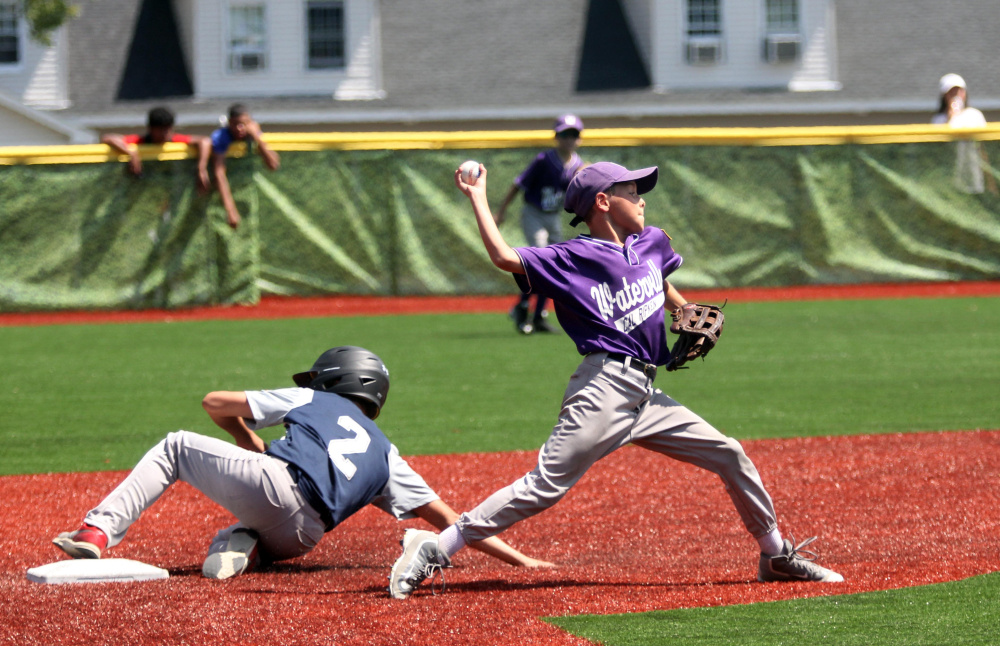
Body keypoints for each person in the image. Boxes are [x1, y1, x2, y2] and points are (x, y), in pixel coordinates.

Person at [388, 162, 845, 599]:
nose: (641, 199)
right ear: (603, 202)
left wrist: (683, 311)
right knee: (544, 486)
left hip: (647, 395)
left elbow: (658, 279)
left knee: (729, 453)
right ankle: (435, 547)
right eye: (631, 191)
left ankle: (775, 554)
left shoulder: (650, 244)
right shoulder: (572, 257)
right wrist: (479, 198)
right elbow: (504, 257)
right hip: (603, 388)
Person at [53, 346, 555, 580]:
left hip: (275, 485)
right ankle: (243, 549)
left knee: (175, 445)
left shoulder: (308, 399)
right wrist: (523, 560)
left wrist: (248, 440)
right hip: (304, 537)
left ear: (336, 381)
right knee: (250, 526)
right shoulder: (389, 454)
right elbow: (452, 522)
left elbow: (214, 403)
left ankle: (97, 532)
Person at [494, 114, 586, 334]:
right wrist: (502, 211)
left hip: (552, 215)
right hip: (533, 213)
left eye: (574, 134)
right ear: (556, 136)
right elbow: (518, 185)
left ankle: (535, 315)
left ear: (580, 138)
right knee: (542, 258)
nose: (569, 139)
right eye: (565, 134)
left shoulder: (578, 165)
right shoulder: (544, 159)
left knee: (553, 264)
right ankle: (525, 307)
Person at [197, 103, 281, 229]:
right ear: (229, 123)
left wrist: (257, 138)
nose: (240, 128)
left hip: (250, 193)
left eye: (244, 124)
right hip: (228, 194)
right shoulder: (221, 137)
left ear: (251, 123)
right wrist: (230, 210)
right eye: (235, 124)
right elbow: (219, 173)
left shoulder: (253, 134)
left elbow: (273, 165)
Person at [932, 73, 996, 194]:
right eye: (952, 92)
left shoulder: (974, 115)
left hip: (973, 174)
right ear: (944, 95)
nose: (956, 95)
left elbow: (983, 148)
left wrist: (990, 179)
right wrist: (951, 117)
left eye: (959, 91)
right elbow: (939, 149)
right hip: (950, 176)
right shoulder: (939, 120)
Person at [101, 106, 203, 177]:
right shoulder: (140, 142)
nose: (164, 134)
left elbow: (204, 141)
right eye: (160, 129)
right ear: (150, 128)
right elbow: (107, 138)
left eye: (167, 129)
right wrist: (131, 153)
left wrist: (201, 169)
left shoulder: (176, 141)